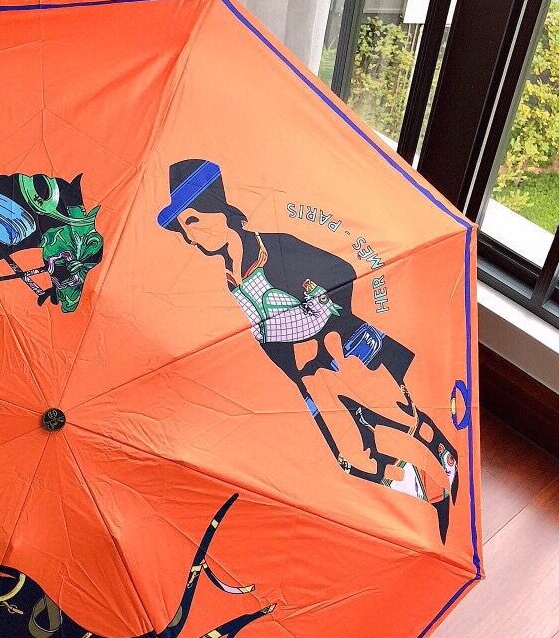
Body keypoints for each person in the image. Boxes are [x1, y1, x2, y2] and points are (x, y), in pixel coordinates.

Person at [157, 159, 458, 541]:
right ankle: (421, 496)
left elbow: (342, 271)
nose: (190, 237)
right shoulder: (230, 278)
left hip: (340, 346)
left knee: (394, 413)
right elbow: (264, 331)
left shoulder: (275, 247)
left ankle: (444, 458)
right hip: (305, 369)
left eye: (192, 221)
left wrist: (325, 312)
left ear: (218, 207)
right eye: (184, 229)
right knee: (352, 454)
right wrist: (292, 364)